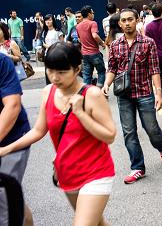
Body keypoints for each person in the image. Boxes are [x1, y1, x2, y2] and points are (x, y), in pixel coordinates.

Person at [0, 42, 116, 225]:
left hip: (96, 172)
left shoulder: (92, 94)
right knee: (97, 222)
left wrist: (80, 114)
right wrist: (6, 149)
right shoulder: (48, 92)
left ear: (77, 69)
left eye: (62, 72)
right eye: (50, 70)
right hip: (67, 173)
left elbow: (110, 135)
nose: (54, 77)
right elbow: (39, 130)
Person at [102, 8, 162, 184]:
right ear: (119, 23)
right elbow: (112, 68)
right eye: (123, 20)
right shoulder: (116, 45)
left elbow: (155, 69)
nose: (127, 23)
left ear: (137, 20)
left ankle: (161, 147)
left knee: (152, 130)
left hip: (144, 93)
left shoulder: (148, 43)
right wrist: (106, 84)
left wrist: (158, 93)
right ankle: (138, 167)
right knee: (129, 132)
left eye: (130, 20)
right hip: (123, 95)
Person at [0, 52, 33, 226]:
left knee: (6, 207)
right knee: (12, 199)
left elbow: (12, 105)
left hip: (10, 141)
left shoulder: (1, 61)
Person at [76, 6, 106, 88]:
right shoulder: (93, 23)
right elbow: (95, 36)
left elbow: (79, 39)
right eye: (92, 13)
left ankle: (86, 93)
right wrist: (102, 43)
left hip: (85, 54)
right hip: (94, 53)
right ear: (89, 14)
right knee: (101, 71)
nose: (93, 14)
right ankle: (99, 90)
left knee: (87, 75)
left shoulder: (78, 26)